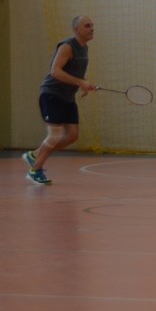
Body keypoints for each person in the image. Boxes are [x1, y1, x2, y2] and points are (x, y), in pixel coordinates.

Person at [23, 15, 99, 185]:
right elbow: (55, 71)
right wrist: (80, 82)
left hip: (67, 97)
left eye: (92, 25)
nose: (92, 29)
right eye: (87, 26)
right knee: (55, 135)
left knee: (72, 136)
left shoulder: (84, 48)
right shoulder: (67, 46)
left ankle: (34, 154)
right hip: (52, 94)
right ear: (76, 29)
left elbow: (74, 73)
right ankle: (35, 170)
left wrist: (84, 85)